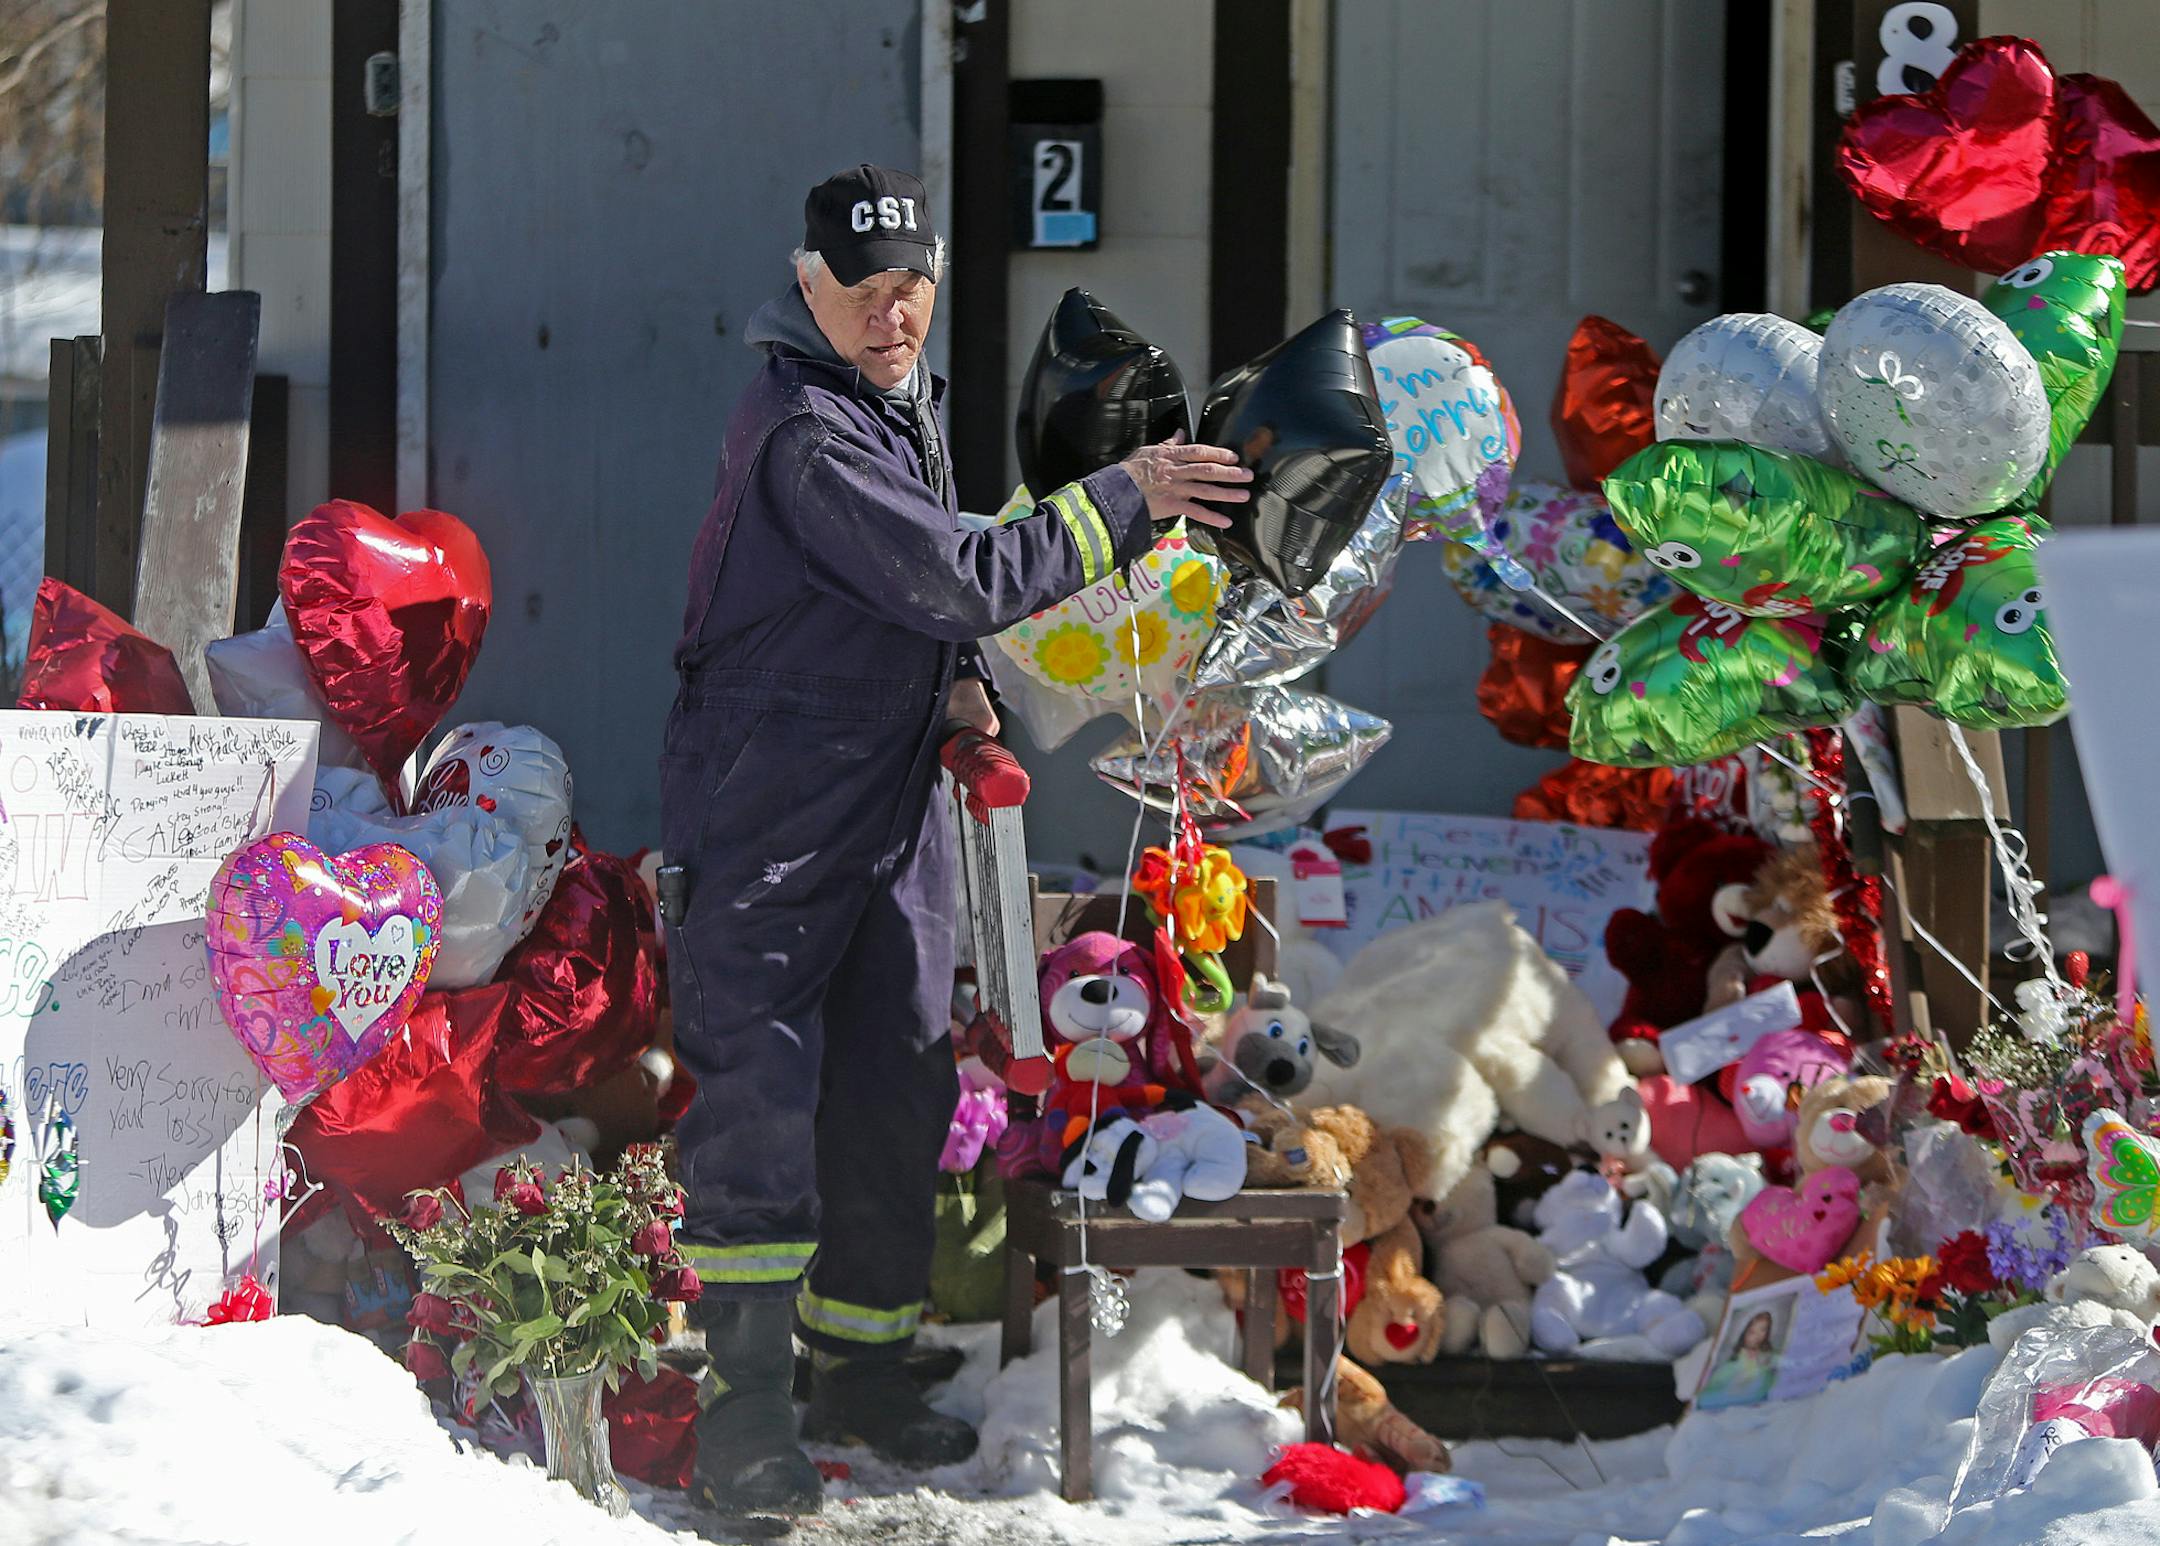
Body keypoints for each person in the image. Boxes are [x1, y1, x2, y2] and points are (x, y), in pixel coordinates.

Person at [661, 163, 1249, 1517]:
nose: (896, 313)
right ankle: (746, 1413)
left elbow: (924, 609)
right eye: (868, 290)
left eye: (913, 288)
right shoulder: (806, 432)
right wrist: (1130, 494)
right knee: (763, 1095)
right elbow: (956, 571)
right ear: (810, 286)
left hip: (891, 792)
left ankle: (862, 1365)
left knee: (900, 1082)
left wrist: (962, 684)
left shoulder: (887, 407)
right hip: (772, 809)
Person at [1698, 1309, 1779, 1408]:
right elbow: (1717, 1383)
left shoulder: (1769, 1354)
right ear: (1743, 1333)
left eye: (1763, 1330)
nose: (1758, 1336)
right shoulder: (1733, 1363)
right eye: (1752, 1332)